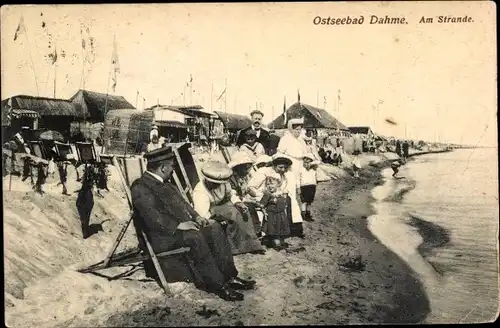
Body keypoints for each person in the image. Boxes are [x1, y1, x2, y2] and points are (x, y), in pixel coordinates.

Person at [131, 147, 255, 301]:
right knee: (194, 236)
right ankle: (218, 285)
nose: (173, 170)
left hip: (177, 230)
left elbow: (184, 204)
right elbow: (151, 217)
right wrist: (178, 226)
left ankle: (230, 276)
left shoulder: (167, 184)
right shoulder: (141, 186)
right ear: (162, 168)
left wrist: (196, 217)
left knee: (214, 227)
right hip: (161, 237)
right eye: (171, 166)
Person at [192, 161, 265, 255]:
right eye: (215, 183)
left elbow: (230, 194)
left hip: (223, 205)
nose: (217, 185)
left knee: (243, 210)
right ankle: (236, 247)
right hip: (210, 211)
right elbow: (203, 214)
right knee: (232, 213)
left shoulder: (224, 183)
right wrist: (221, 216)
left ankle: (252, 243)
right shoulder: (200, 191)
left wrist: (238, 203)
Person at [248, 153, 305, 238]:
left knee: (289, 201)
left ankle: (283, 229)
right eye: (280, 167)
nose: (283, 170)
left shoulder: (284, 175)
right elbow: (250, 187)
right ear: (274, 165)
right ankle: (268, 231)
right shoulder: (264, 171)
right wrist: (261, 195)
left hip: (275, 197)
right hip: (262, 196)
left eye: (285, 168)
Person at [259, 175, 290, 250]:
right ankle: (276, 244)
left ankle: (279, 242)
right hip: (272, 215)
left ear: (278, 184)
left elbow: (285, 204)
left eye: (272, 184)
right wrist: (264, 212)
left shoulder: (281, 193)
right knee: (274, 230)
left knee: (280, 229)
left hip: (281, 215)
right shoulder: (267, 194)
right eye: (267, 184)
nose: (269, 186)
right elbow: (262, 205)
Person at [299, 153, 319, 222]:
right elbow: (298, 179)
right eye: (305, 161)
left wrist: (310, 164)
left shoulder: (313, 168)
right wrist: (298, 187)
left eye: (309, 161)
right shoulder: (301, 169)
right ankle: (303, 214)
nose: (307, 163)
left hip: (312, 186)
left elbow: (318, 162)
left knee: (309, 201)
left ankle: (308, 213)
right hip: (304, 186)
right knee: (304, 201)